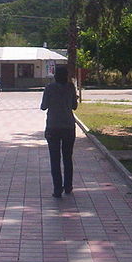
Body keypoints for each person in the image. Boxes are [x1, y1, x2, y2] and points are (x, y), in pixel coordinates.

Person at [40, 65, 78, 198]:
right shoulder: (71, 87)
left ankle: (57, 189)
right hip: (69, 126)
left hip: (53, 127)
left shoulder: (49, 88)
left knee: (55, 159)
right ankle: (68, 186)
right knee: (68, 157)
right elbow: (75, 106)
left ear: (55, 76)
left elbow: (43, 107)